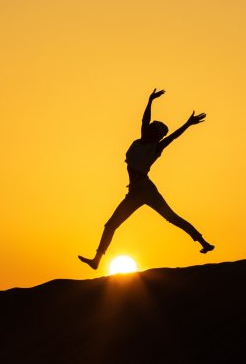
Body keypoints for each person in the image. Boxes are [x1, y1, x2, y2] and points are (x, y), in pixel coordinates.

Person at [78, 89, 214, 270]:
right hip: (134, 192)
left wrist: (188, 124)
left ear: (155, 135)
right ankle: (96, 261)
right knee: (110, 225)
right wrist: (150, 100)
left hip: (146, 190)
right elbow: (144, 120)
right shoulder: (141, 140)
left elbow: (173, 137)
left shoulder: (156, 147)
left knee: (171, 217)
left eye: (152, 130)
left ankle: (203, 242)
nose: (147, 129)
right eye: (149, 128)